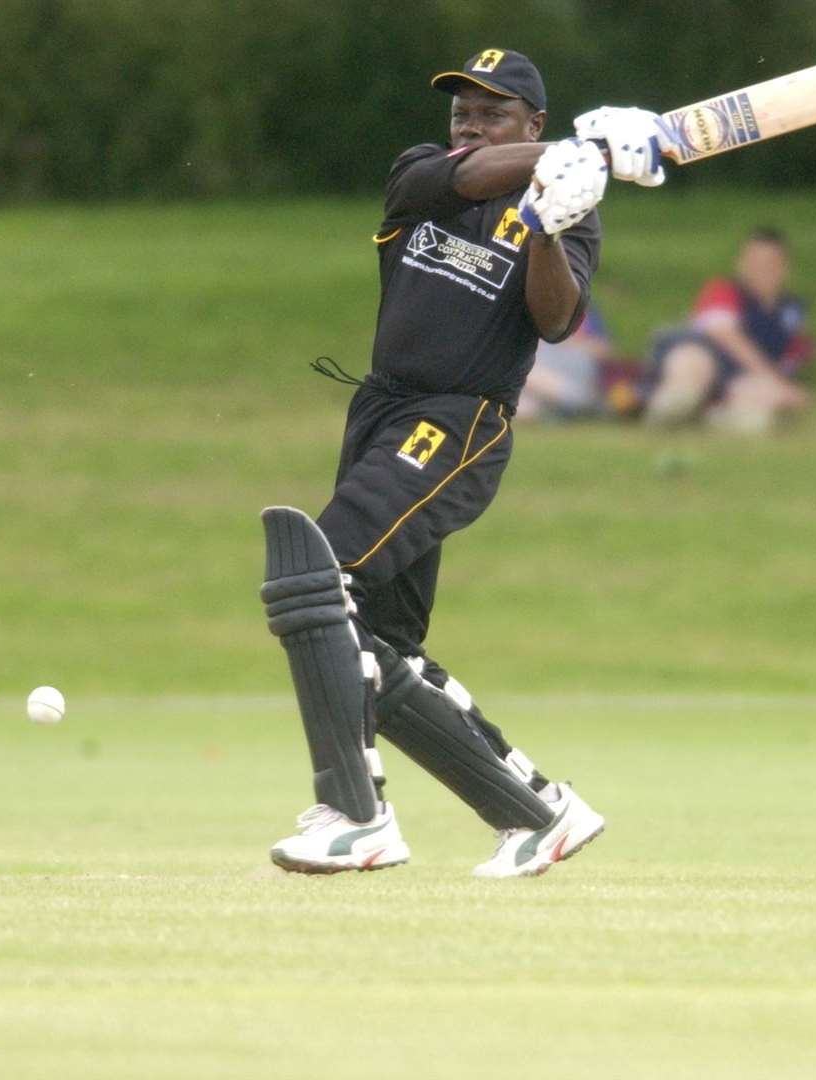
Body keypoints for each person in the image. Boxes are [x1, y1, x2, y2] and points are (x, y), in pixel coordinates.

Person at [257, 49, 670, 878]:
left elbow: (555, 323)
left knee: (316, 571)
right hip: (381, 412)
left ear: (534, 120)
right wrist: (570, 154)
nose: (472, 125)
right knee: (377, 641)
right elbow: (470, 175)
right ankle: (536, 812)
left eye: (495, 111)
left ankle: (355, 813)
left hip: (459, 421)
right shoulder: (422, 175)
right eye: (463, 113)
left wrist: (551, 220)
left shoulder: (568, 208)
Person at [644, 228, 815, 433]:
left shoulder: (791, 312)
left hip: (740, 377)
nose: (761, 270)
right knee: (692, 367)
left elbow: (790, 359)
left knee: (761, 411)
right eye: (755, 263)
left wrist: (778, 388)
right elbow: (725, 334)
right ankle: (669, 411)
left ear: (784, 268)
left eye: (770, 264)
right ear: (741, 264)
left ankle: (709, 419)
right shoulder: (724, 292)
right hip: (702, 356)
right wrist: (772, 379)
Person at [515, 303, 614, 421]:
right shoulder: (539, 311)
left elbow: (605, 350)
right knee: (524, 406)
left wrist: (570, 342)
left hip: (574, 386)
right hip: (541, 378)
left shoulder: (587, 314)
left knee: (525, 376)